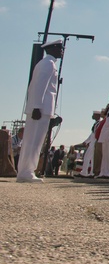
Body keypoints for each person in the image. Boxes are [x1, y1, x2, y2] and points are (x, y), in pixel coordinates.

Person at [18, 38, 63, 182]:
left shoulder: (46, 63)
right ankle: (27, 171)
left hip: (40, 107)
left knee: (32, 140)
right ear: (52, 49)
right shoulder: (48, 64)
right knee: (34, 141)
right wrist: (37, 106)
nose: (62, 51)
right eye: (60, 48)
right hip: (40, 108)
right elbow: (39, 86)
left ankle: (25, 171)